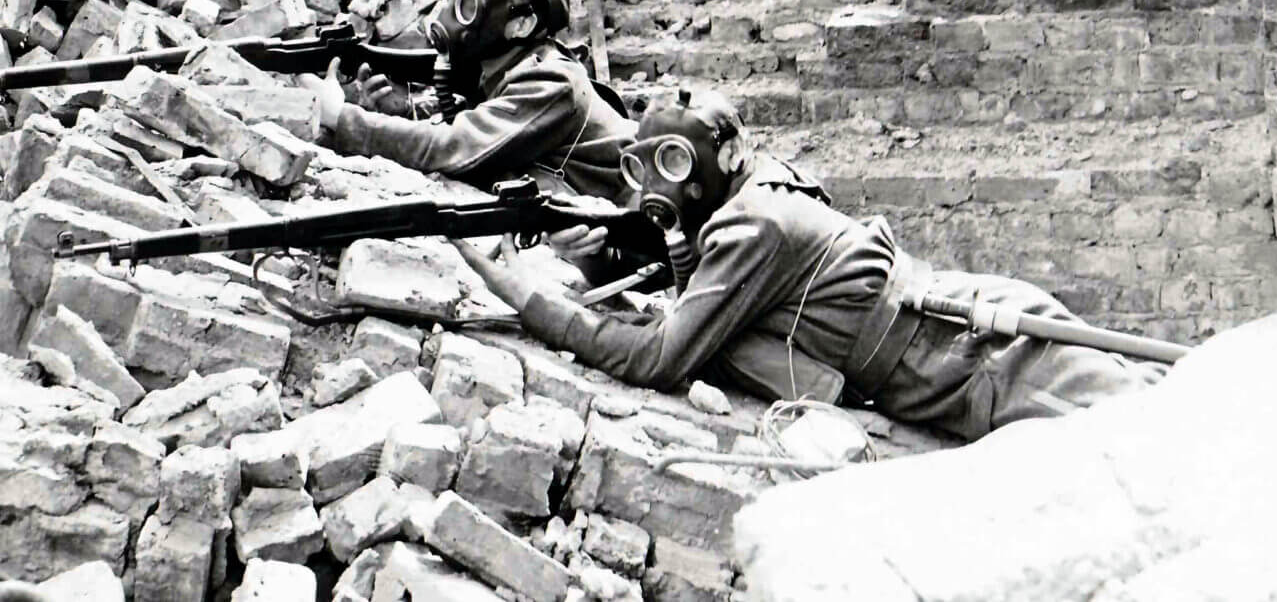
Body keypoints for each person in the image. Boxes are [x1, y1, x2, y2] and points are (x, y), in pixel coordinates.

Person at [452, 88, 1168, 442]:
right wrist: (607, 251)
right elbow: (708, 289)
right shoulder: (754, 190)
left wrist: (530, 298)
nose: (661, 184)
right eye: (647, 166)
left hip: (978, 357)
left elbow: (660, 358)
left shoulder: (753, 223)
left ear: (724, 157)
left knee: (1170, 429)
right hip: (957, 340)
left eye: (677, 162)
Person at [297, 0, 636, 204]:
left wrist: (342, 118)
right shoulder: (496, 66)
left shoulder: (551, 81)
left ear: (522, 25)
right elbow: (465, 122)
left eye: (468, 7)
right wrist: (394, 111)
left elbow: (456, 147)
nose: (448, 16)